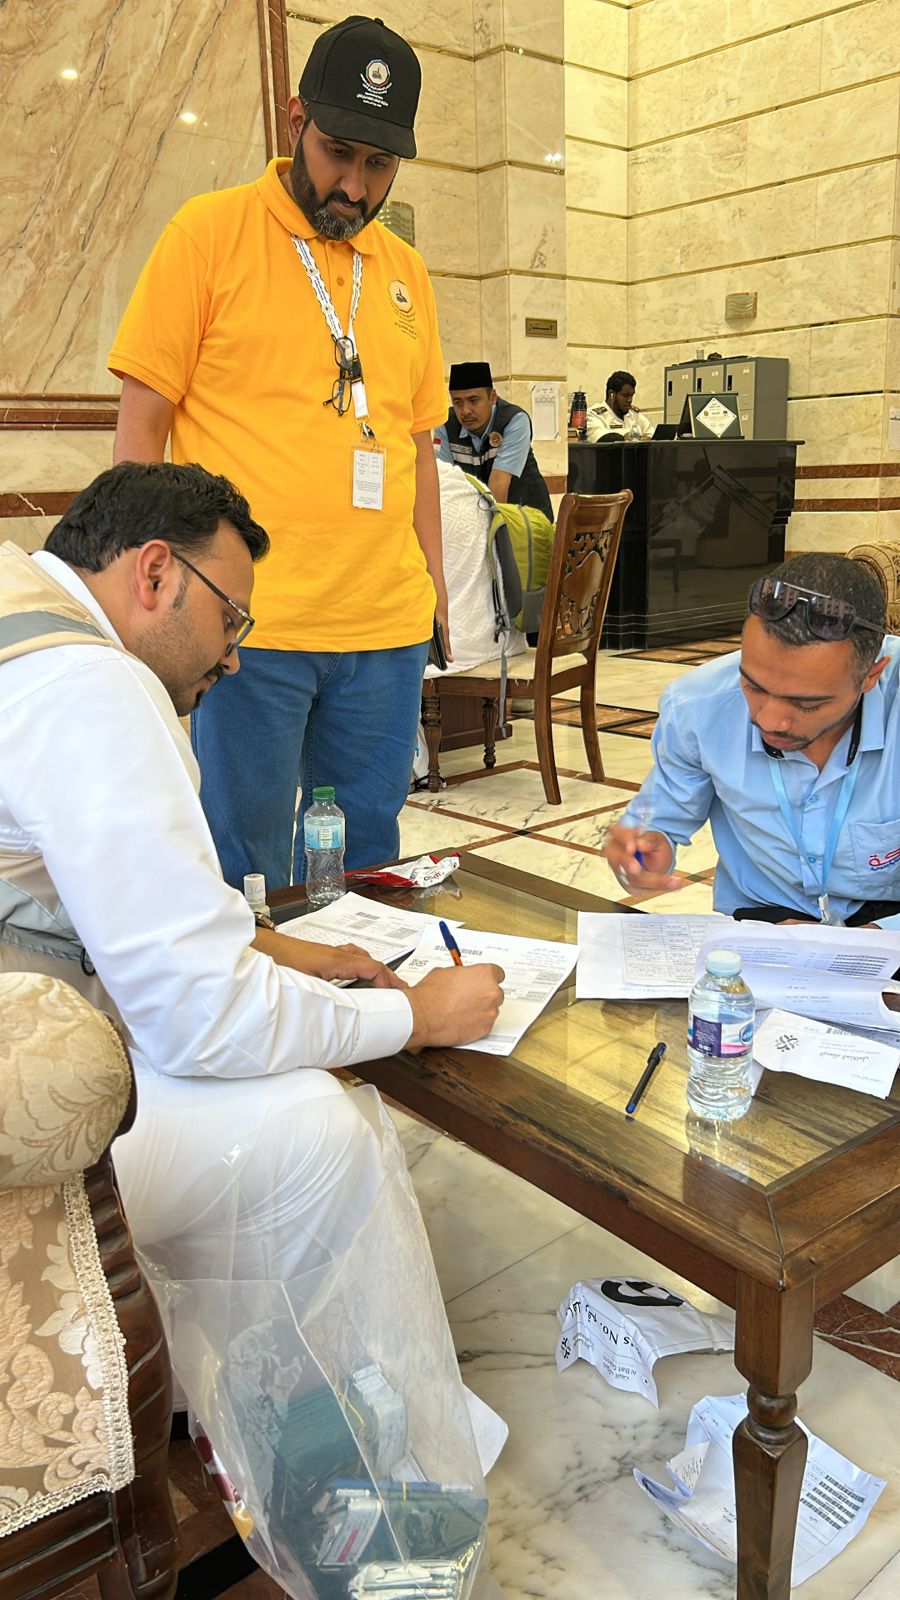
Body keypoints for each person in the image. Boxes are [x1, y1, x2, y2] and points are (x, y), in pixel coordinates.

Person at [0, 461, 504, 1301]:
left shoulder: (20, 597)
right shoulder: (93, 684)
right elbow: (198, 1018)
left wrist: (266, 945)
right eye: (230, 618)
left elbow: (98, 891)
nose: (234, 659)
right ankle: (270, 1384)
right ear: (155, 573)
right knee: (314, 1127)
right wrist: (416, 1016)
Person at [108, 15, 450, 890]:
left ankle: (357, 984)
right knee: (245, 868)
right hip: (243, 629)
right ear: (296, 120)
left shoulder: (406, 272)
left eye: (380, 165)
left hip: (384, 628)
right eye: (338, 152)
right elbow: (141, 429)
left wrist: (436, 591)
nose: (354, 185)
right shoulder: (207, 234)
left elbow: (415, 446)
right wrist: (135, 595)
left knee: (361, 865)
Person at [603, 553, 900, 928]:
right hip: (767, 914)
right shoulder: (697, 706)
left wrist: (881, 935)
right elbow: (658, 819)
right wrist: (644, 851)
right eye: (753, 685)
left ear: (871, 676)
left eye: (806, 703)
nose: (769, 720)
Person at [435, 360, 554, 522]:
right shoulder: (445, 426)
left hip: (527, 518)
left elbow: (499, 481)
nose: (465, 410)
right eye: (458, 402)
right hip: (476, 517)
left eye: (473, 400)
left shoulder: (514, 420)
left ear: (492, 397)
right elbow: (445, 481)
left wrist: (491, 531)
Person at [586, 370, 654, 442]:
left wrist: (648, 438)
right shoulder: (593, 415)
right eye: (626, 395)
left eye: (632, 395)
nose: (630, 400)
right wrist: (626, 437)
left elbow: (652, 434)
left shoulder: (634, 415)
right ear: (611, 394)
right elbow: (600, 438)